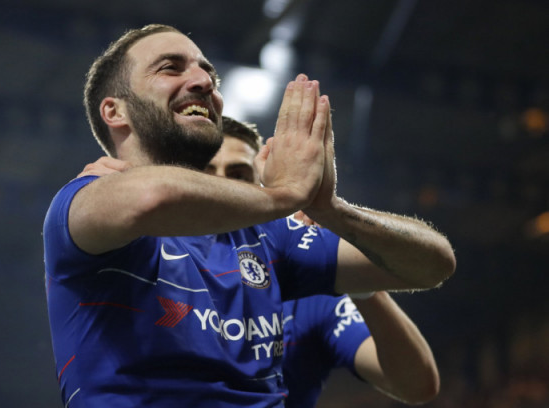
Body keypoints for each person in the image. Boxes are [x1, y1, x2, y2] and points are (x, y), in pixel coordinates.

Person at [43, 24, 456, 407]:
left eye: (209, 74)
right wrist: (285, 193)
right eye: (170, 68)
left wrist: (331, 210)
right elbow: (150, 197)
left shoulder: (268, 236)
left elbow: (433, 265)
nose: (204, 81)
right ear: (114, 111)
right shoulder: (81, 202)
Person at [81, 116, 441, 407]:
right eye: (205, 172)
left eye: (238, 175)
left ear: (263, 190)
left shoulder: (310, 288)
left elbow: (418, 386)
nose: (221, 185)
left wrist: (359, 281)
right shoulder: (145, 258)